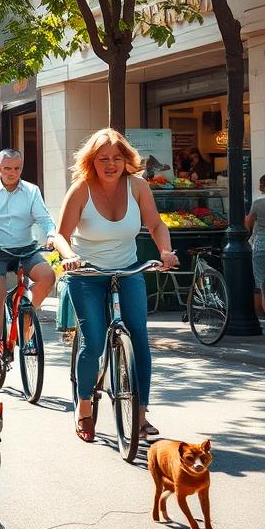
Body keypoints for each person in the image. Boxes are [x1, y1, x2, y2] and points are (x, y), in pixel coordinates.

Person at [49, 128, 179, 443]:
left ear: (126, 160)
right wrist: (69, 258)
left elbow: (156, 224)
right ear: (92, 161)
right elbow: (60, 236)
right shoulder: (81, 190)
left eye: (117, 158)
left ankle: (142, 414)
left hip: (128, 270)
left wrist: (165, 252)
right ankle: (83, 409)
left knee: (140, 337)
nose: (111, 164)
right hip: (87, 274)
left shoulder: (138, 186)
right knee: (92, 342)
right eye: (103, 158)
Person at [0, 149, 59, 378]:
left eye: (17, 168)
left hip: (25, 249)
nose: (12, 173)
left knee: (48, 276)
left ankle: (27, 315)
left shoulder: (31, 191)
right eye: (7, 168)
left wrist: (52, 235)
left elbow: (45, 219)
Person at [244, 173, 265, 319]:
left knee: (262, 285)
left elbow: (248, 224)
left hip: (262, 244)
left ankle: (262, 314)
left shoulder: (258, 202)